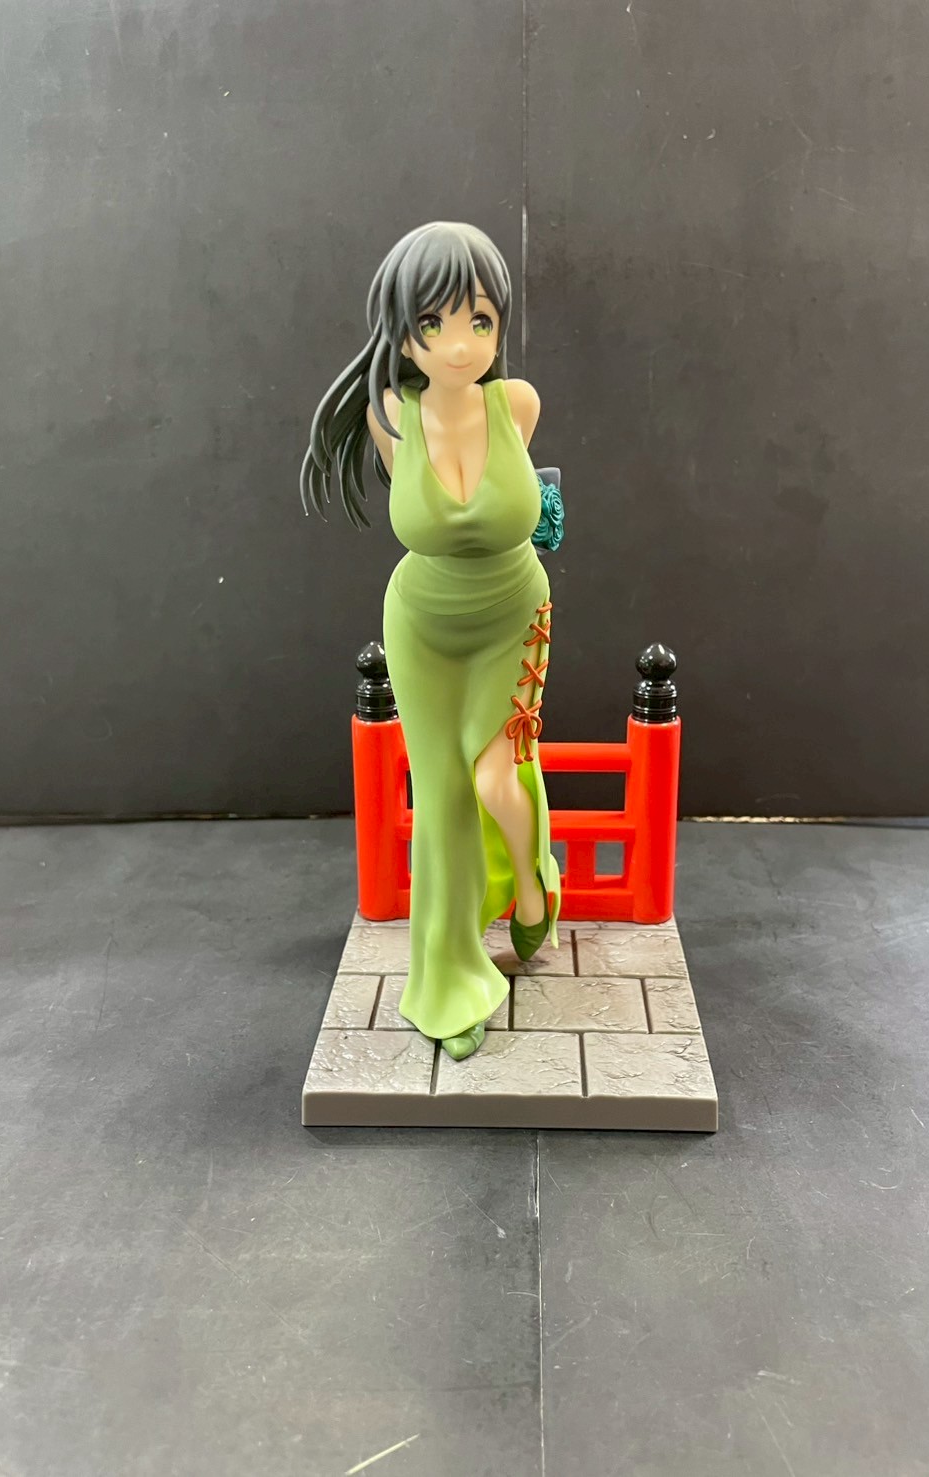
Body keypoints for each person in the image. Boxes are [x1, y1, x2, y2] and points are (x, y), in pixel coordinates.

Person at [302, 221, 562, 1060]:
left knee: (495, 776)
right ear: (403, 329)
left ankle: (532, 884)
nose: (459, 344)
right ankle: (448, 982)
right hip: (420, 624)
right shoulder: (390, 414)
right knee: (442, 794)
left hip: (512, 611)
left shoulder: (516, 405)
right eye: (434, 323)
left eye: (479, 320)